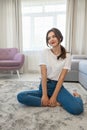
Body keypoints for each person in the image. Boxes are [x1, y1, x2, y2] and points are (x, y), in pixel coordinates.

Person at [17, 28, 84, 115]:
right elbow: (43, 75)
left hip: (57, 87)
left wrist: (54, 96)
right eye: (49, 38)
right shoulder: (44, 52)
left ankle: (77, 97)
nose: (51, 39)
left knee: (77, 109)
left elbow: (61, 78)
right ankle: (56, 103)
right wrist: (44, 95)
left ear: (60, 38)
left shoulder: (67, 55)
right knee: (21, 96)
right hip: (45, 85)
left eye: (54, 36)